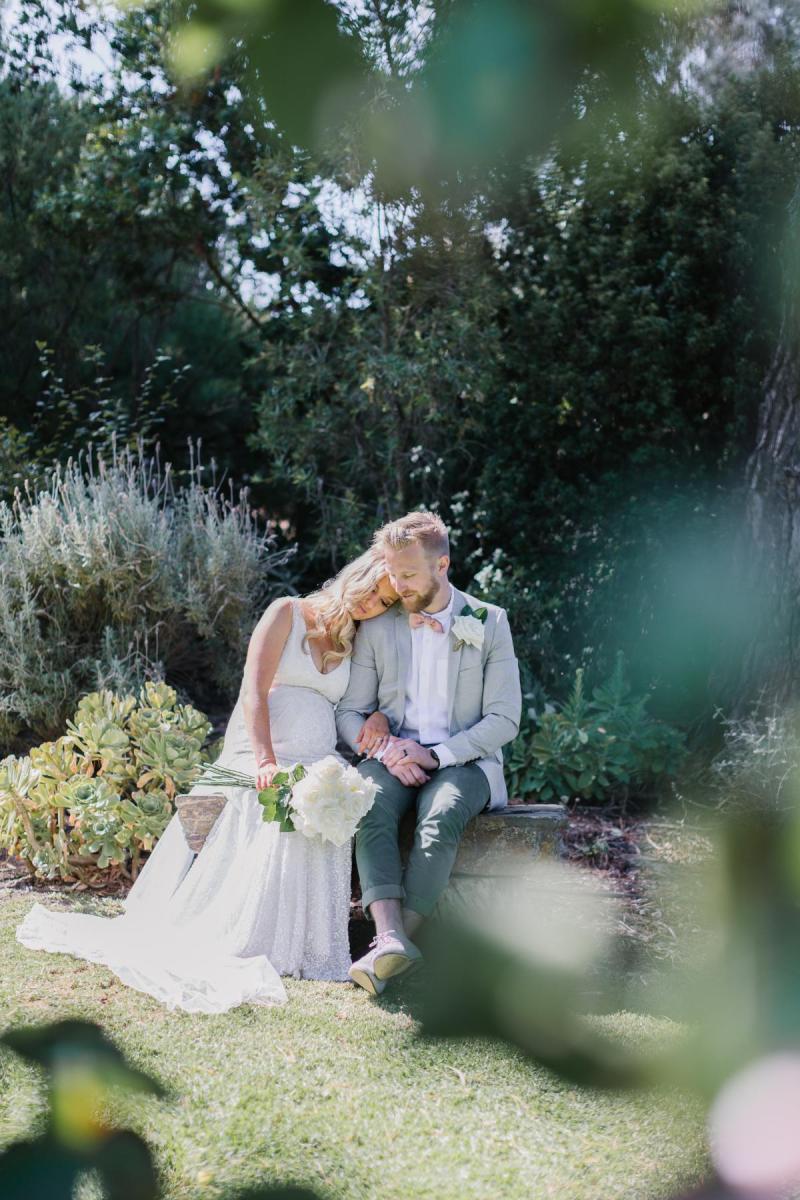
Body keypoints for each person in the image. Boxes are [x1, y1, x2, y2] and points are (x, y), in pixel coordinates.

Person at [16, 551, 398, 1014]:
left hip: (316, 761)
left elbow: (347, 710)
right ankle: (243, 934)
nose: (372, 605)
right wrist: (265, 762)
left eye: (383, 603)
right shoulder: (287, 613)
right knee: (265, 811)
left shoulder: (354, 643)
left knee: (326, 817)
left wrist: (374, 716)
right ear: (356, 575)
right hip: (262, 754)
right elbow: (252, 693)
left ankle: (306, 949)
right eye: (373, 591)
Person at [336, 512, 522, 996]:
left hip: (466, 760)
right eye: (392, 573)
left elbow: (504, 721)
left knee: (441, 816)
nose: (397, 584)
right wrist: (387, 749)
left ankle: (386, 951)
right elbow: (351, 711)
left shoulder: (488, 621)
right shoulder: (379, 627)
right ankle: (390, 938)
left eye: (409, 574)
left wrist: (435, 756)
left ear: (443, 565)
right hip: (394, 754)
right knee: (369, 805)